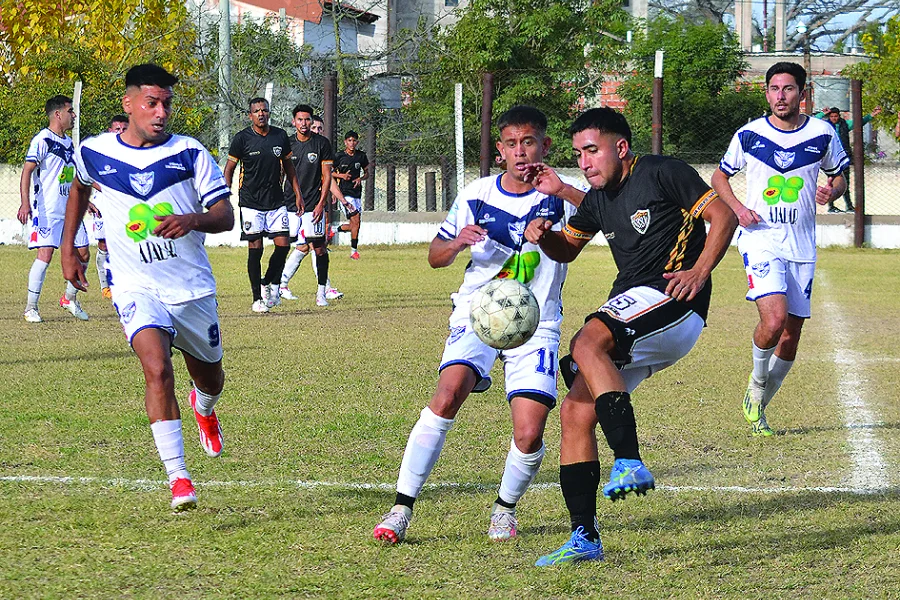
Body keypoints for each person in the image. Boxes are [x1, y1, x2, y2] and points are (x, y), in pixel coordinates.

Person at [522, 107, 737, 565]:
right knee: (576, 413)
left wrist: (699, 272)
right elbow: (568, 249)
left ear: (621, 148)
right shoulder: (597, 199)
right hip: (637, 308)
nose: (584, 161)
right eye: (579, 153)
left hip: (674, 298)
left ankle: (629, 459)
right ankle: (585, 537)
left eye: (592, 150)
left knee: (586, 342)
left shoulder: (663, 172)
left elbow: (724, 217)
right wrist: (543, 237)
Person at [372, 106, 588, 545]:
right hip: (477, 312)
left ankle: (504, 510)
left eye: (529, 142)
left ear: (545, 146)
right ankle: (400, 508)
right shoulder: (477, 194)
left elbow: (603, 214)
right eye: (511, 144)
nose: (521, 152)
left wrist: (562, 195)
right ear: (499, 151)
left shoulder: (562, 196)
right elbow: (435, 255)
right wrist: (456, 243)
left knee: (529, 432)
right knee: (448, 393)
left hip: (536, 320)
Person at [60, 63, 235, 511]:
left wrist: (191, 219)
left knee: (210, 378)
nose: (160, 112)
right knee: (157, 370)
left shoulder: (191, 153)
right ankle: (178, 478)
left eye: (166, 104)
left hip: (190, 288)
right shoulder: (94, 152)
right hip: (135, 286)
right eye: (151, 103)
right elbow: (79, 189)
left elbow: (224, 216)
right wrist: (68, 247)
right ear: (129, 104)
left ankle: (205, 407)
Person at [711, 62, 848, 437]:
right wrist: (738, 209)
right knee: (773, 321)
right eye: (773, 88)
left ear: (802, 94)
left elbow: (839, 176)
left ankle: (759, 406)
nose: (780, 96)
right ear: (767, 93)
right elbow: (719, 176)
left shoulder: (823, 133)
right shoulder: (749, 135)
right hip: (761, 239)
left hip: (802, 245)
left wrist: (831, 191)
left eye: (788, 89)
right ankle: (756, 384)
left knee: (790, 335)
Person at [223, 98, 302, 313]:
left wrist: (297, 194)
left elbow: (289, 167)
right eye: (257, 111)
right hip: (250, 202)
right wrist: (225, 196)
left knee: (284, 245)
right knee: (255, 248)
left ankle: (267, 281)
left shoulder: (280, 136)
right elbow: (229, 169)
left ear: (269, 113)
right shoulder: (242, 139)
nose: (261, 114)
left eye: (264, 110)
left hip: (276, 201)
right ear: (250, 116)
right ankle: (257, 298)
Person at [18, 95, 91, 323]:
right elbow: (27, 170)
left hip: (70, 208)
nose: (74, 115)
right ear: (58, 114)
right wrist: (25, 202)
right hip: (48, 209)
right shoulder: (42, 139)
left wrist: (88, 200)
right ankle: (31, 308)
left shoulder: (69, 143)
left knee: (83, 253)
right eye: (71, 111)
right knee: (46, 255)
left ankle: (69, 298)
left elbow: (72, 176)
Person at [279, 105, 338, 306]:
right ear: (294, 121)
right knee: (284, 246)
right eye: (300, 119)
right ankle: (276, 286)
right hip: (288, 203)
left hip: (313, 204)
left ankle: (322, 292)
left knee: (319, 247)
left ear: (311, 121)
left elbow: (327, 175)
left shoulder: (322, 144)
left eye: (307, 120)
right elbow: (279, 174)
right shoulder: (286, 143)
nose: (304, 123)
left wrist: (322, 203)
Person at [89, 114, 129, 300]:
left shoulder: (133, 151)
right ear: (110, 131)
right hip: (103, 202)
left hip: (125, 203)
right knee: (104, 244)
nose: (120, 132)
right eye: (117, 129)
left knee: (126, 242)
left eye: (124, 129)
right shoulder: (100, 151)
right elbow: (87, 176)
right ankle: (105, 286)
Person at [816, 105, 880, 212]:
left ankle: (849, 206)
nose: (834, 119)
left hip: (843, 156)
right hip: (831, 158)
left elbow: (860, 122)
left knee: (845, 182)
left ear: (839, 116)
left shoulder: (845, 124)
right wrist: (823, 113)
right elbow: (814, 121)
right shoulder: (825, 126)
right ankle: (831, 206)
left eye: (836, 116)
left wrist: (872, 115)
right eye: (831, 116)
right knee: (832, 182)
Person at [331, 130, 369, 259]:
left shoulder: (361, 156)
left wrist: (361, 178)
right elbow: (329, 172)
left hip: (357, 193)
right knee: (355, 220)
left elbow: (367, 173)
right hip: (345, 193)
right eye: (349, 141)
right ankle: (354, 251)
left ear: (357, 142)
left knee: (355, 224)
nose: (352, 143)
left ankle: (333, 230)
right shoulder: (339, 156)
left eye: (354, 141)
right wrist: (341, 175)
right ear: (345, 142)